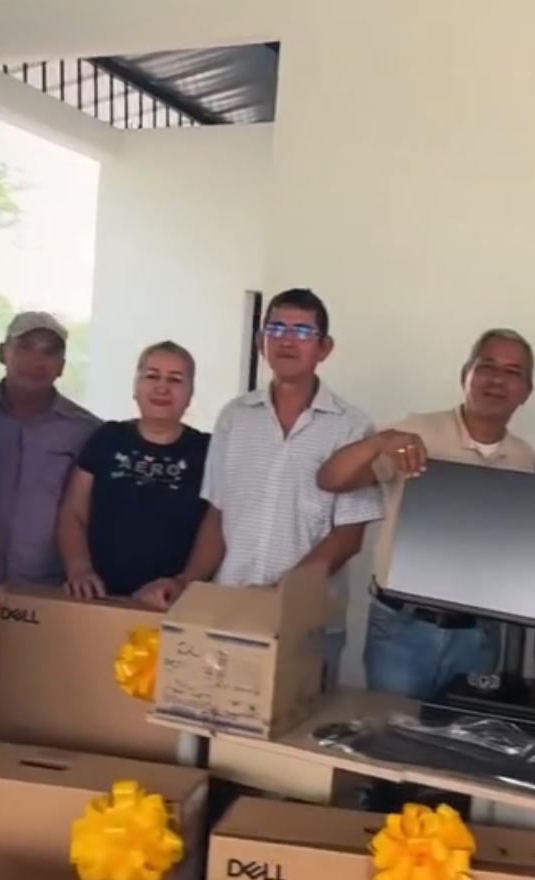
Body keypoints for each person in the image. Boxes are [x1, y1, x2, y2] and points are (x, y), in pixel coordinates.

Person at [137, 288, 382, 683]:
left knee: (299, 720)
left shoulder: (352, 427)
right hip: (229, 612)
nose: (287, 340)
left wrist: (281, 596)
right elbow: (218, 515)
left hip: (309, 623)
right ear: (260, 341)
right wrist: (186, 582)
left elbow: (348, 537)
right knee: (221, 715)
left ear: (324, 347)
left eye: (303, 332)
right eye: (277, 328)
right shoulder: (235, 417)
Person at [317, 328, 535, 699]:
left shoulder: (525, 458)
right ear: (465, 374)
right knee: (391, 730)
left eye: (512, 372)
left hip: (478, 636)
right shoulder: (415, 433)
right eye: (487, 366)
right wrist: (380, 442)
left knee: (461, 735)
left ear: (526, 391)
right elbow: (331, 479)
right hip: (401, 628)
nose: (497, 380)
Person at [58, 341, 207, 600]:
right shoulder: (107, 438)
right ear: (135, 387)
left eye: (175, 379)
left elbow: (216, 526)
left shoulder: (207, 450)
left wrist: (183, 583)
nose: (162, 387)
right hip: (96, 597)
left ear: (190, 393)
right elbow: (73, 512)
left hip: (171, 603)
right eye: (152, 376)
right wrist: (78, 568)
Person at [0, 311, 98, 586]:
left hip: (48, 591)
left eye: (49, 352)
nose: (36, 361)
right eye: (25, 347)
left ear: (62, 366)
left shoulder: (87, 431)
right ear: (2, 353)